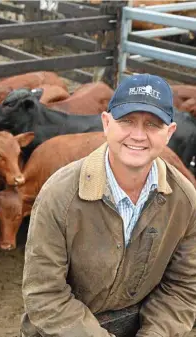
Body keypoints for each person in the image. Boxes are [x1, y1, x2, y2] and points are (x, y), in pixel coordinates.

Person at [21, 74, 196, 337]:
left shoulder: (184, 200)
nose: (138, 135)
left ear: (169, 132)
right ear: (106, 123)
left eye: (153, 124)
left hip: (139, 326)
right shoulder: (60, 194)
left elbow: (183, 287)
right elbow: (45, 294)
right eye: (126, 121)